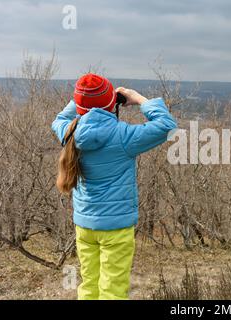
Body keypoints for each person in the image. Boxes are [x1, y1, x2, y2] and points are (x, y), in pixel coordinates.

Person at [51, 73, 177, 300]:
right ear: (112, 103)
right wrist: (136, 97)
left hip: (84, 226)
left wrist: (83, 101)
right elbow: (166, 125)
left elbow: (60, 117)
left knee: (89, 286)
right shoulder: (123, 136)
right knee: (113, 291)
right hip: (116, 229)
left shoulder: (69, 132)